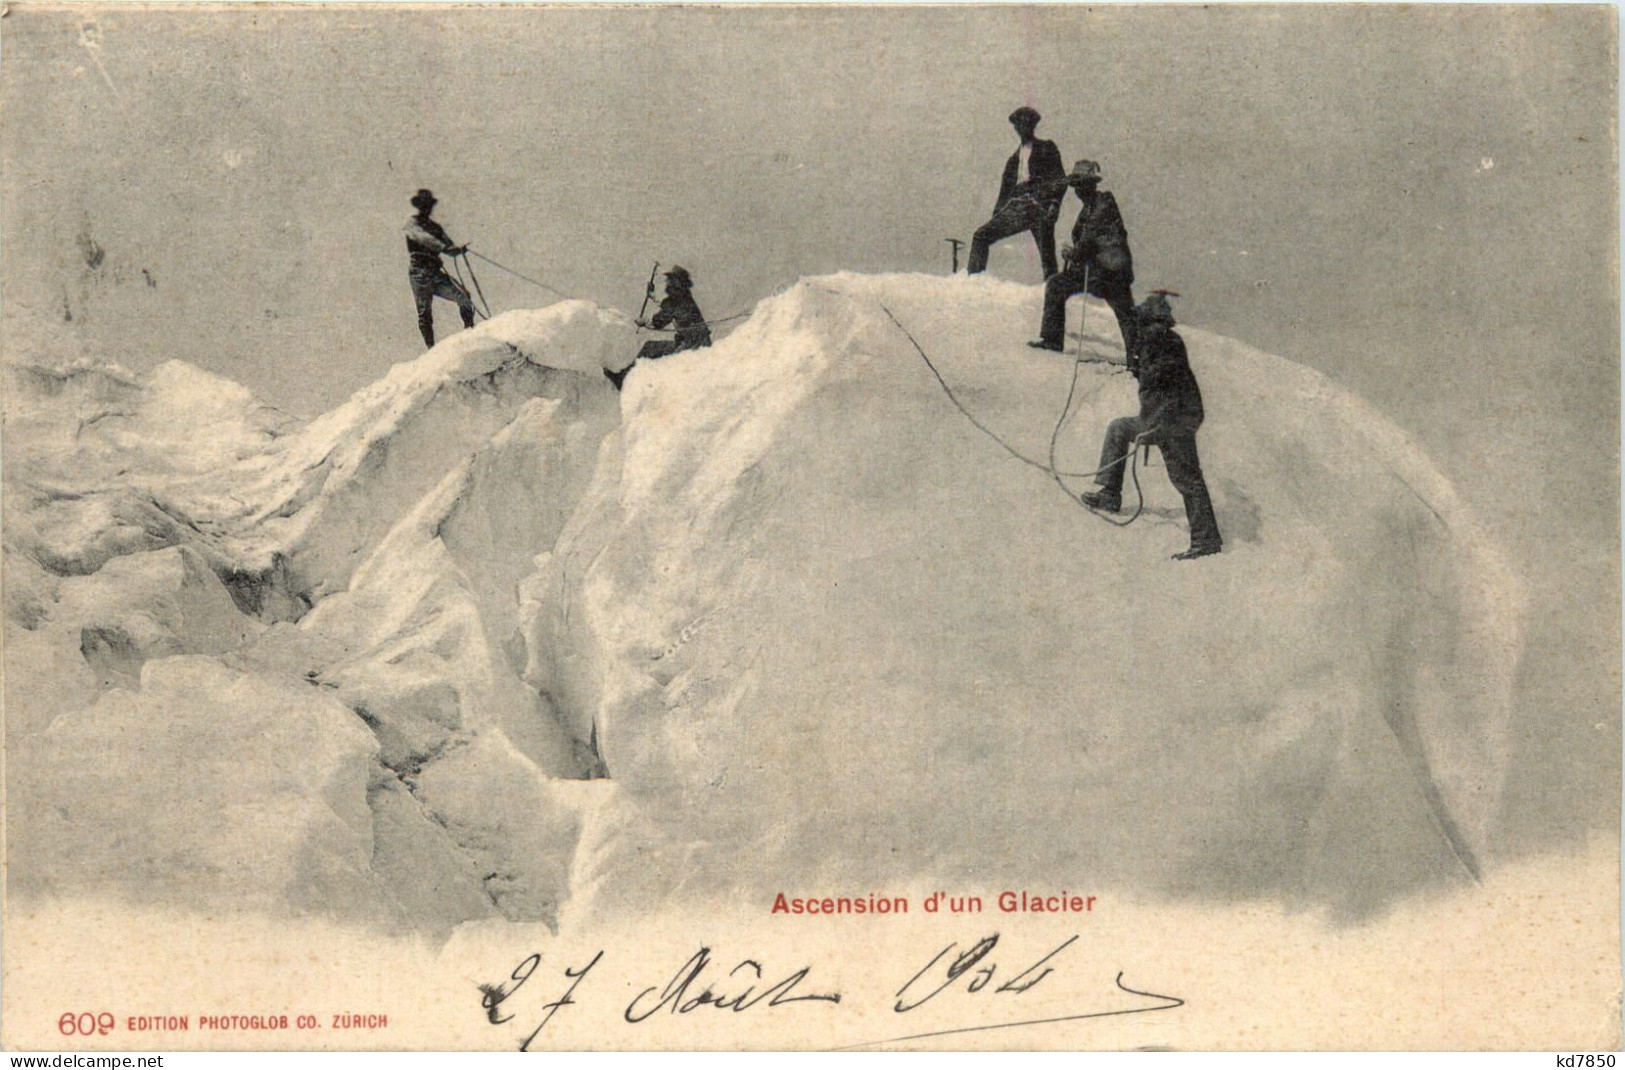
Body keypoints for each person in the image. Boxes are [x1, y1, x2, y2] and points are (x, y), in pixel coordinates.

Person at [1080, 294, 1222, 561]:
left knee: (1186, 478)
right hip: (1163, 417)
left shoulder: (1158, 340)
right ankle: (1110, 493)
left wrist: (1155, 421)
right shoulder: (1163, 339)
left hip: (1172, 420)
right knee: (1119, 429)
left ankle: (1206, 540)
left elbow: (1164, 381)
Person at [1029, 159, 1136, 357]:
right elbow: (1083, 240)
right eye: (1076, 186)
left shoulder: (1104, 202)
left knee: (1126, 314)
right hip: (1092, 272)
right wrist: (1073, 253)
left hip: (1112, 273)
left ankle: (1137, 358)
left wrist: (1074, 252)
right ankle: (1052, 340)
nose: (1077, 190)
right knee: (1056, 285)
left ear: (1091, 184)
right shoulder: (1086, 210)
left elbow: (1089, 238)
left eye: (1081, 185)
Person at [966, 107, 1067, 279]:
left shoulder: (1047, 148)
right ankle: (974, 284)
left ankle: (1053, 295)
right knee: (981, 235)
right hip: (1016, 208)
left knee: (1048, 257)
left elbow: (1060, 179)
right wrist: (997, 216)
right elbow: (1004, 192)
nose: (1022, 128)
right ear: (1016, 128)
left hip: (1038, 207)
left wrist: (1054, 205)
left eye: (1026, 124)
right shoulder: (1013, 160)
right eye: (1018, 125)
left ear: (1032, 126)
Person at [604, 266, 713, 391]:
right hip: (698, 343)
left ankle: (623, 380)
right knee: (652, 349)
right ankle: (625, 378)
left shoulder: (676, 301)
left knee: (651, 350)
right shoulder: (684, 297)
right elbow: (668, 307)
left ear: (678, 283)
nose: (667, 283)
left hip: (693, 346)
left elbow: (658, 322)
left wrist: (644, 322)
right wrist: (653, 297)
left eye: (670, 280)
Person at [404, 189, 476, 349]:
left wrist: (457, 249)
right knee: (424, 312)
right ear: (419, 206)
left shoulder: (435, 227)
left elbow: (447, 244)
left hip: (435, 272)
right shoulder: (412, 224)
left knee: (464, 296)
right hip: (419, 273)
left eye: (428, 205)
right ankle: (431, 349)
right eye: (424, 205)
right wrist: (445, 248)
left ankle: (470, 333)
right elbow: (425, 239)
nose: (427, 208)